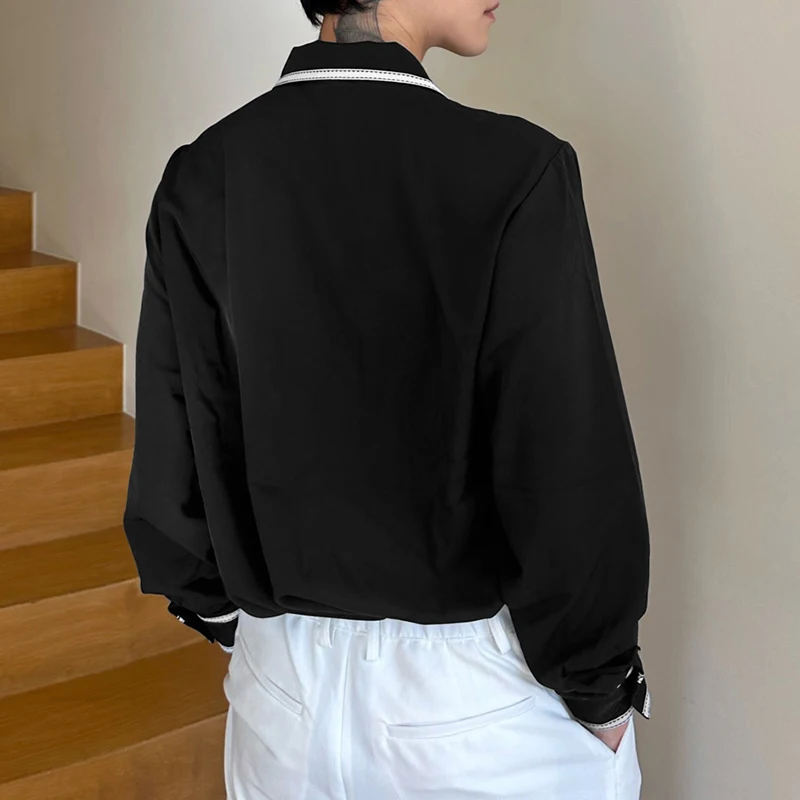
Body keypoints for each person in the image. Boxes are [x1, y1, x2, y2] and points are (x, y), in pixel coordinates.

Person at [123, 0, 652, 797]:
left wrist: (235, 622)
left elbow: (177, 454)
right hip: (475, 707)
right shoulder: (516, 170)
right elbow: (565, 462)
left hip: (279, 697)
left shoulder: (201, 173)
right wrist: (601, 681)